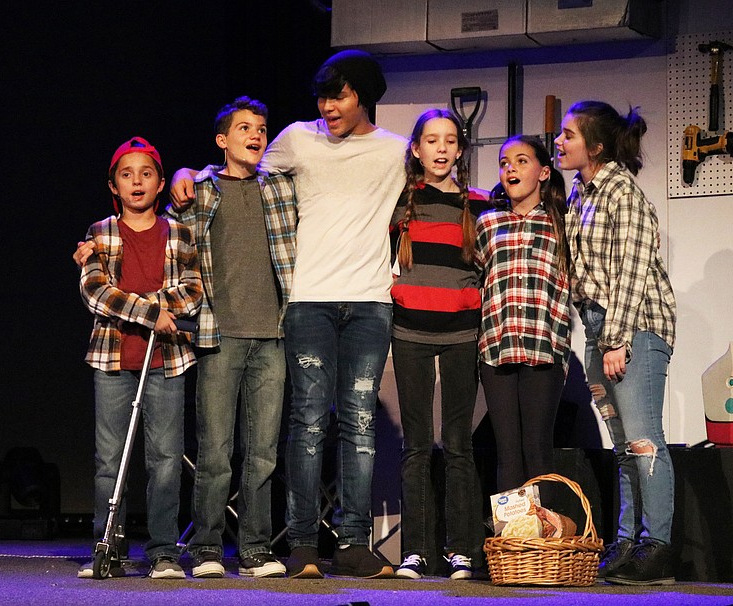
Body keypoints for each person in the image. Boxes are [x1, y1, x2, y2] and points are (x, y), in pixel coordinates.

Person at [170, 50, 405, 579]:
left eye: (338, 95)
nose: (327, 106)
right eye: (322, 96)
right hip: (306, 302)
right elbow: (234, 169)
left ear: (363, 94)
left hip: (369, 301)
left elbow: (444, 189)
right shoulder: (299, 138)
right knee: (306, 422)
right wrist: (187, 169)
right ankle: (299, 542)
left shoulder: (396, 152)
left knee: (361, 424)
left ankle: (351, 541)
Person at [171, 98, 296, 578]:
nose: (256, 135)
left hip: (273, 334)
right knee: (215, 449)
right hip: (217, 333)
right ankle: (205, 548)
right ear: (223, 140)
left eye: (263, 129)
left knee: (263, 451)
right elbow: (167, 244)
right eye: (245, 128)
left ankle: (255, 549)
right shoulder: (199, 190)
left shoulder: (281, 188)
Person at [555, 100, 677, 585]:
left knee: (645, 441)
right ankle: (627, 541)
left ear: (596, 146)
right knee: (625, 446)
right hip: (599, 328)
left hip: (634, 327)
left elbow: (631, 273)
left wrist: (617, 339)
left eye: (569, 134)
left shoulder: (621, 191)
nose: (560, 142)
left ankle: (657, 546)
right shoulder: (580, 194)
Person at [78, 136, 203, 580]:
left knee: (165, 458)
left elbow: (191, 290)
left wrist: (149, 307)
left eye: (146, 174)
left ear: (161, 182)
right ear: (113, 185)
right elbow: (95, 291)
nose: (137, 182)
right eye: (127, 175)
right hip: (113, 359)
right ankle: (107, 545)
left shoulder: (180, 233)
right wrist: (153, 312)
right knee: (110, 459)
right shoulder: (99, 234)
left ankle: (164, 550)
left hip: (166, 361)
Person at [389, 108, 488, 580]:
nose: (442, 148)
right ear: (416, 149)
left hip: (461, 335)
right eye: (432, 140)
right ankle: (415, 552)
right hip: (409, 332)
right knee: (416, 444)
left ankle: (461, 550)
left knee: (458, 444)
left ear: (460, 150)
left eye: (450, 140)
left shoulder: (480, 203)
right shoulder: (399, 201)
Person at [474, 136, 571, 506]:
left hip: (542, 346)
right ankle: (515, 541)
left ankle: (543, 540)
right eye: (504, 162)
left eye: (521, 161)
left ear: (544, 172)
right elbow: (479, 277)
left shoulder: (560, 223)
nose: (510, 168)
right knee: (507, 451)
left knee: (537, 447)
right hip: (496, 346)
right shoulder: (488, 223)